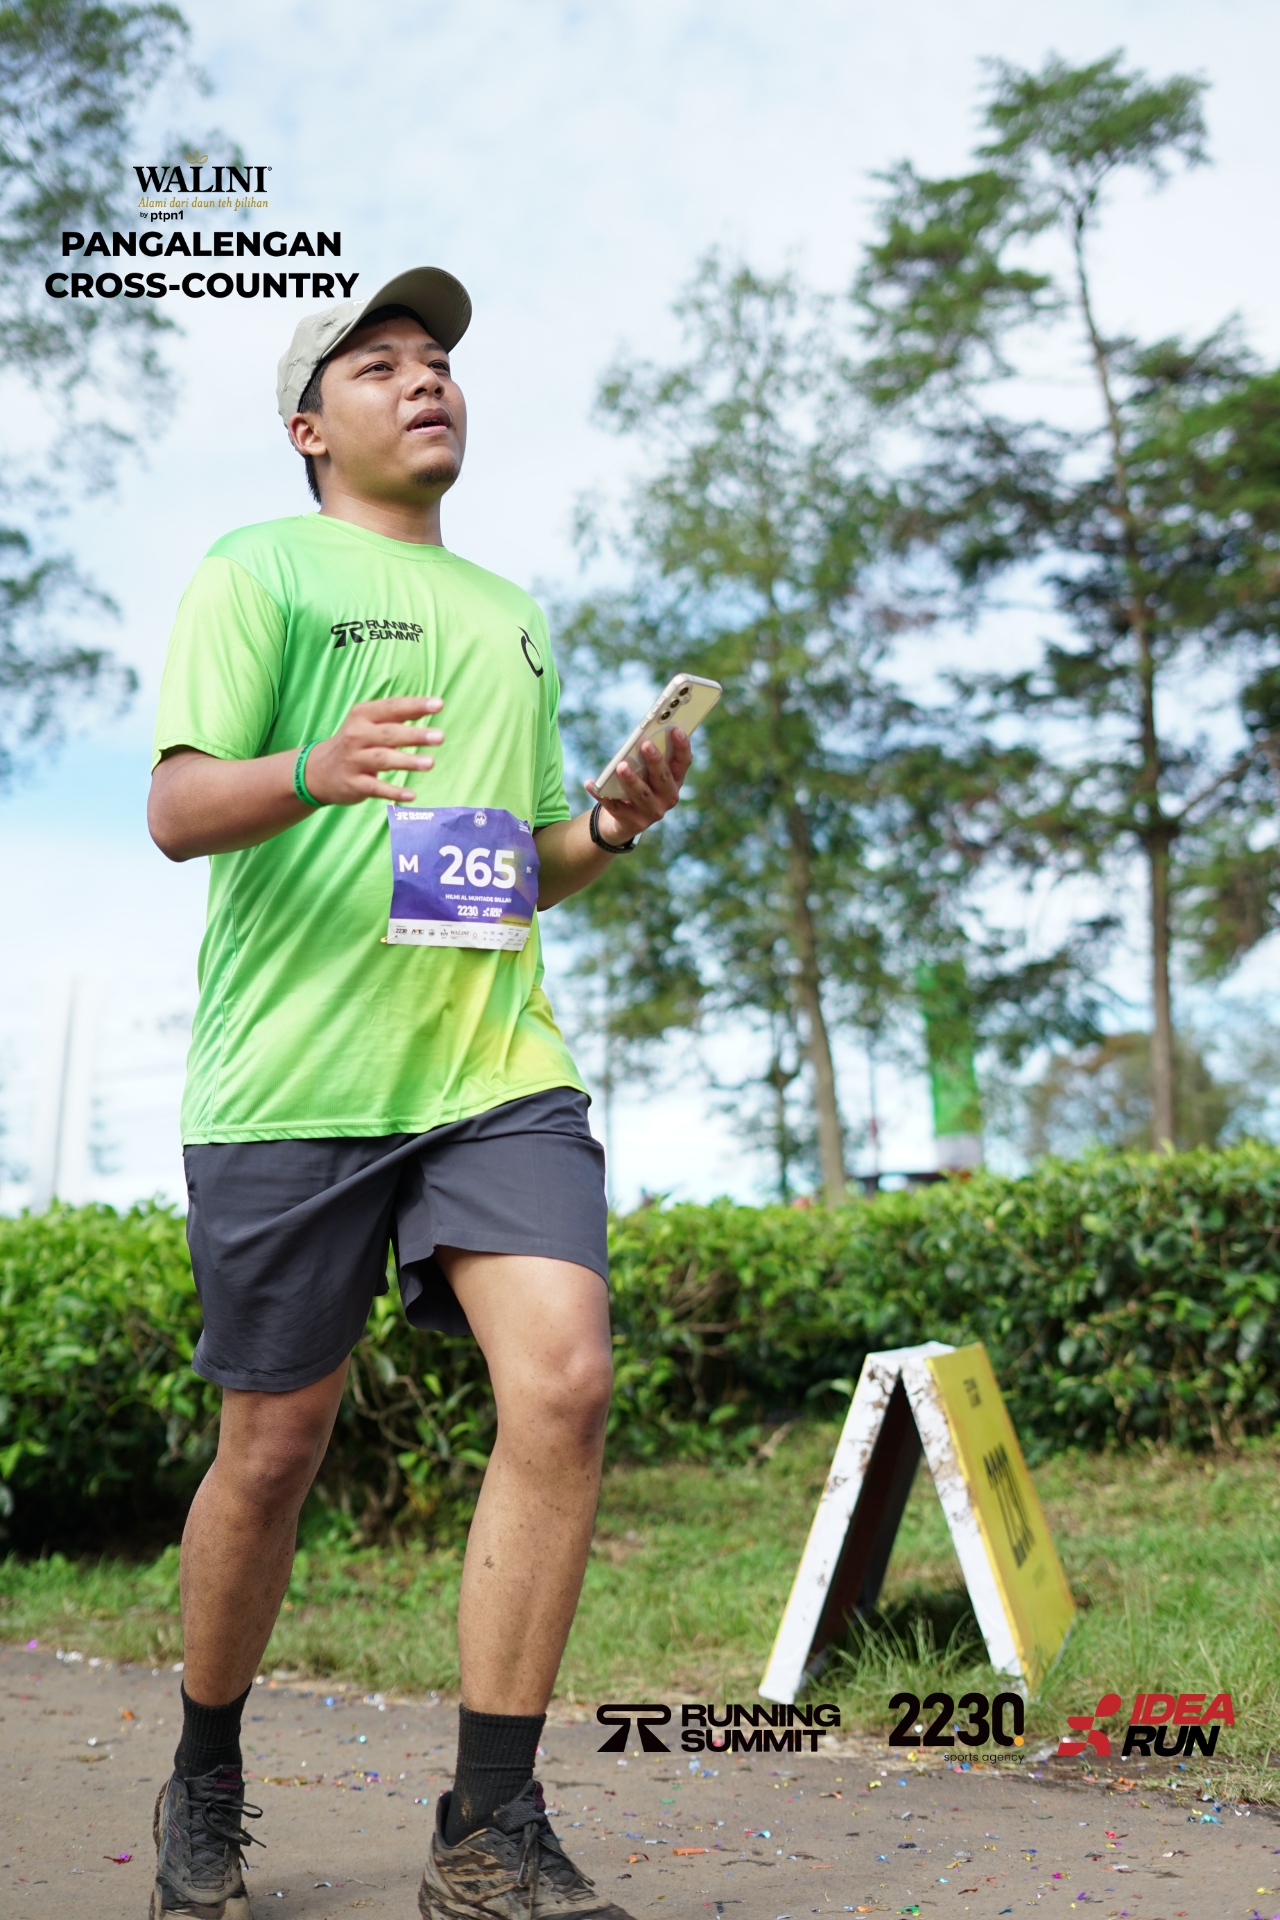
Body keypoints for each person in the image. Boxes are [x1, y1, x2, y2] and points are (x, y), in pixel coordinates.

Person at [145, 266, 690, 1920]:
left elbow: (510, 865)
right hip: (293, 1078)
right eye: (376, 364)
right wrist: (312, 769)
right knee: (272, 1449)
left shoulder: (514, 613)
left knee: (567, 1379)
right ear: (310, 429)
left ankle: (489, 1825)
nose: (423, 378)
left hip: (490, 1064)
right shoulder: (257, 569)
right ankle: (206, 1764)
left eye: (437, 358)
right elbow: (177, 809)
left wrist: (604, 827)